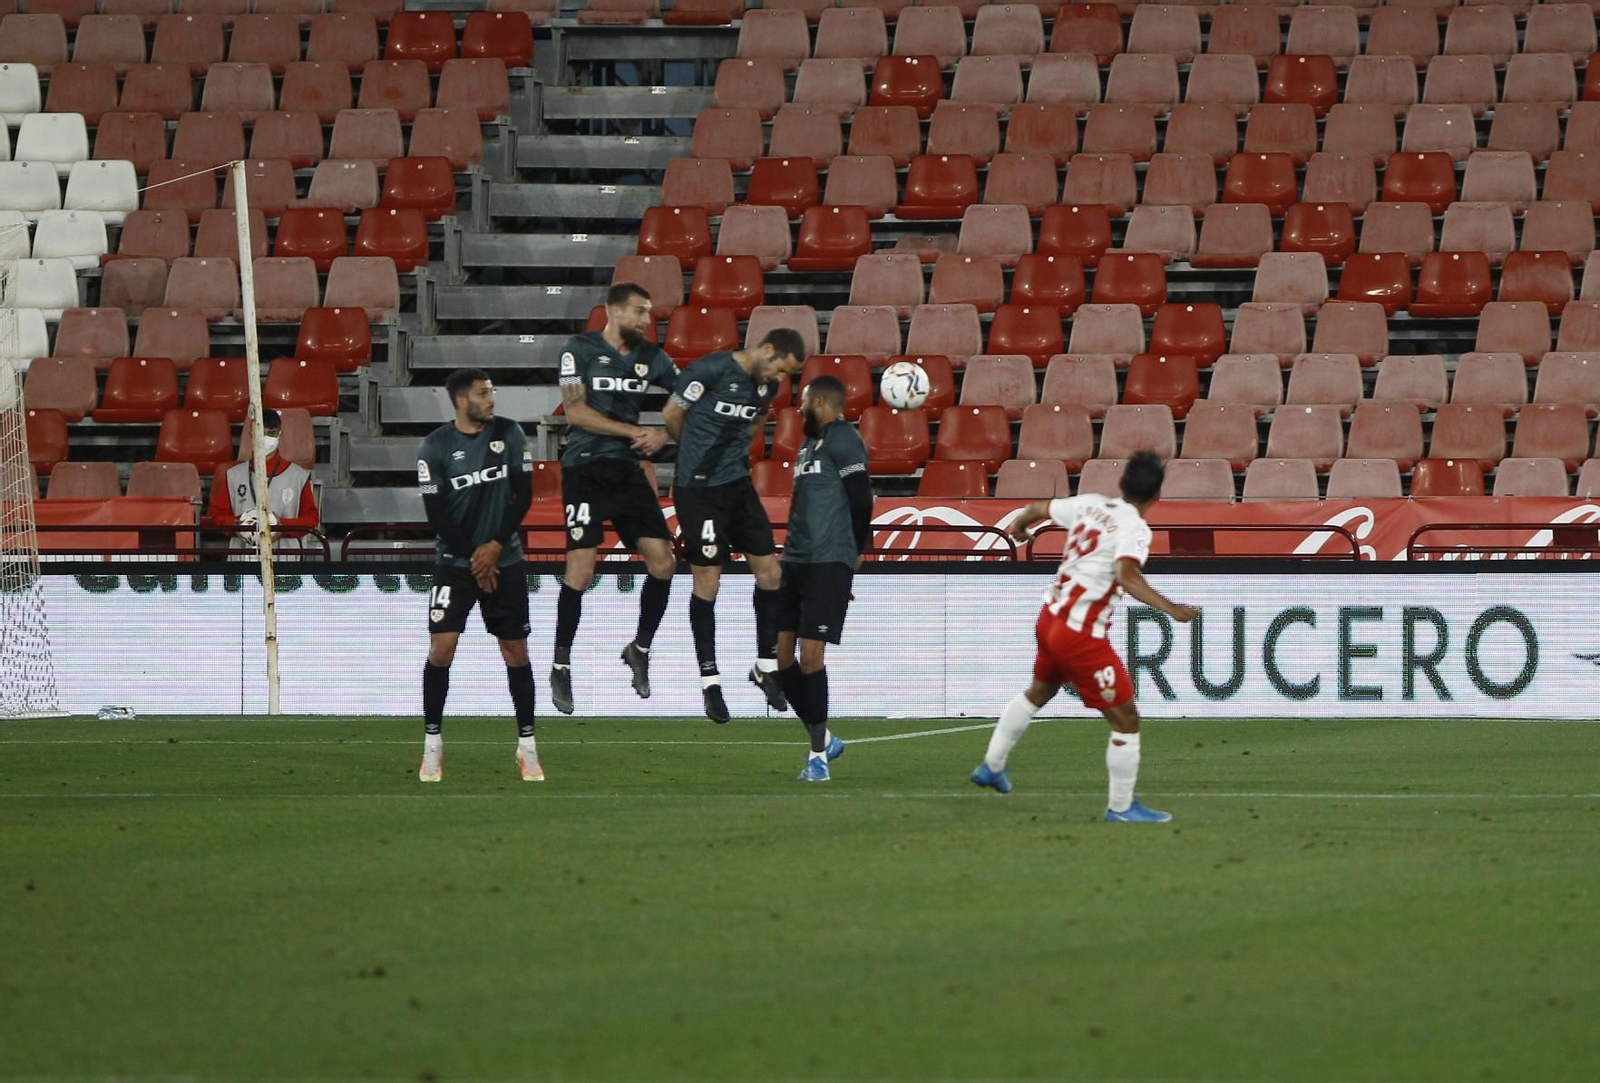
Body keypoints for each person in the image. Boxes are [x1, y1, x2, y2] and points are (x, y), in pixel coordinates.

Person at [971, 451, 1200, 822]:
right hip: (1079, 634)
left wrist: (1020, 528)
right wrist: (1172, 608)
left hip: (1049, 618)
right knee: (1126, 719)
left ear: (1121, 484)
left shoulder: (1090, 504)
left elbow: (1036, 508)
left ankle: (992, 766)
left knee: (1039, 692)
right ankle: (1122, 808)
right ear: (1157, 497)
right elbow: (1125, 574)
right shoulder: (1136, 529)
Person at [662, 328, 806, 723]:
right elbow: (672, 415)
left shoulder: (765, 390)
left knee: (771, 573)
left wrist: (732, 450)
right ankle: (710, 682)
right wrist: (694, 454)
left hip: (738, 487)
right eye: (780, 369)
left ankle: (765, 667)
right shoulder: (709, 369)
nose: (779, 380)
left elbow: (757, 423)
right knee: (708, 580)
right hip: (698, 490)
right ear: (767, 349)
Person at [549, 282, 679, 715]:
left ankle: (640, 648)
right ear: (614, 311)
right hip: (585, 467)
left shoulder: (652, 357)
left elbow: (689, 399)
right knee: (582, 567)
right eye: (640, 312)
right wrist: (634, 432)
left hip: (625, 471)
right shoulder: (579, 349)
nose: (647, 320)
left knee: (664, 563)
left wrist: (665, 433)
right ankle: (561, 664)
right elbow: (576, 413)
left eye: (649, 312)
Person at [416, 368, 538, 783]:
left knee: (515, 652)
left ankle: (527, 746)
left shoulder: (511, 433)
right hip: (456, 565)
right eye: (484, 393)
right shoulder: (434, 447)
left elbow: (525, 494)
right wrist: (475, 558)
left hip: (505, 560)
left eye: (493, 391)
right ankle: (432, 745)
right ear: (460, 400)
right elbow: (437, 514)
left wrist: (495, 548)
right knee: (441, 649)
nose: (492, 399)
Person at [772, 375, 873, 782]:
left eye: (804, 402)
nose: (798, 409)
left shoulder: (845, 439)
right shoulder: (807, 446)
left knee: (811, 656)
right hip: (795, 561)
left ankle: (817, 757)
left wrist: (856, 550)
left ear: (823, 402)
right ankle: (825, 736)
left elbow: (861, 495)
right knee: (780, 660)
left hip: (829, 561)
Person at [207, 408, 319, 549]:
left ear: (279, 434)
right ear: (251, 434)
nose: (265, 438)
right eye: (261, 433)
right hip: (242, 556)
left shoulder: (298, 476)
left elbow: (311, 518)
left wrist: (281, 526)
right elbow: (217, 515)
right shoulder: (233, 475)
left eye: (271, 433)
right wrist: (238, 523)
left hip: (285, 556)